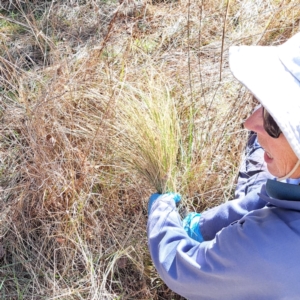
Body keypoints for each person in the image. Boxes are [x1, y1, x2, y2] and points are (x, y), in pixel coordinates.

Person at [147, 32, 300, 300]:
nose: (250, 123)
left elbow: (184, 269)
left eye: (275, 122)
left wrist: (161, 214)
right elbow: (275, 196)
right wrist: (206, 225)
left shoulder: (272, 248)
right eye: (262, 106)